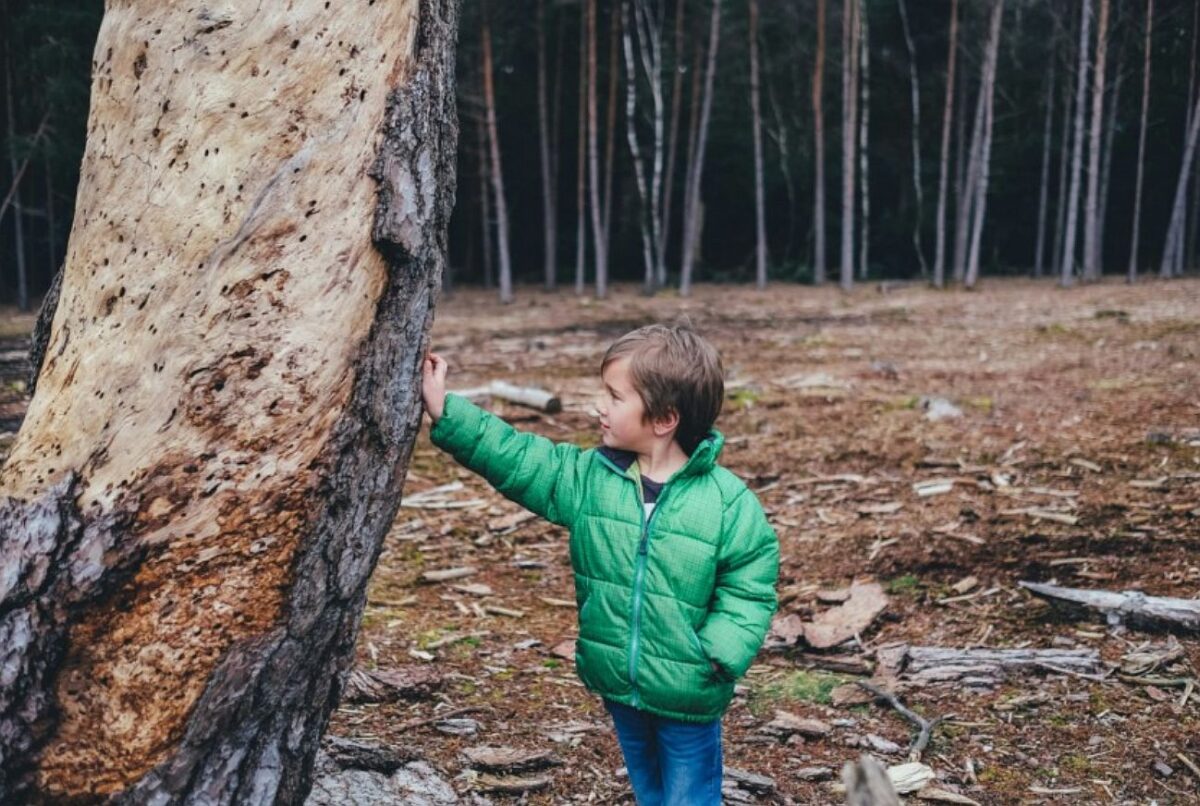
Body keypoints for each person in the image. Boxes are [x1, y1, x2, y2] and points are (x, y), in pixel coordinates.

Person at [421, 323, 779, 806]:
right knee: (649, 789)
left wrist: (716, 654)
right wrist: (448, 411)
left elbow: (751, 584)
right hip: (617, 680)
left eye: (614, 396)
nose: (598, 406)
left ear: (664, 418)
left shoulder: (726, 502)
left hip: (688, 690)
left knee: (690, 796)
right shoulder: (592, 478)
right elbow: (519, 458)